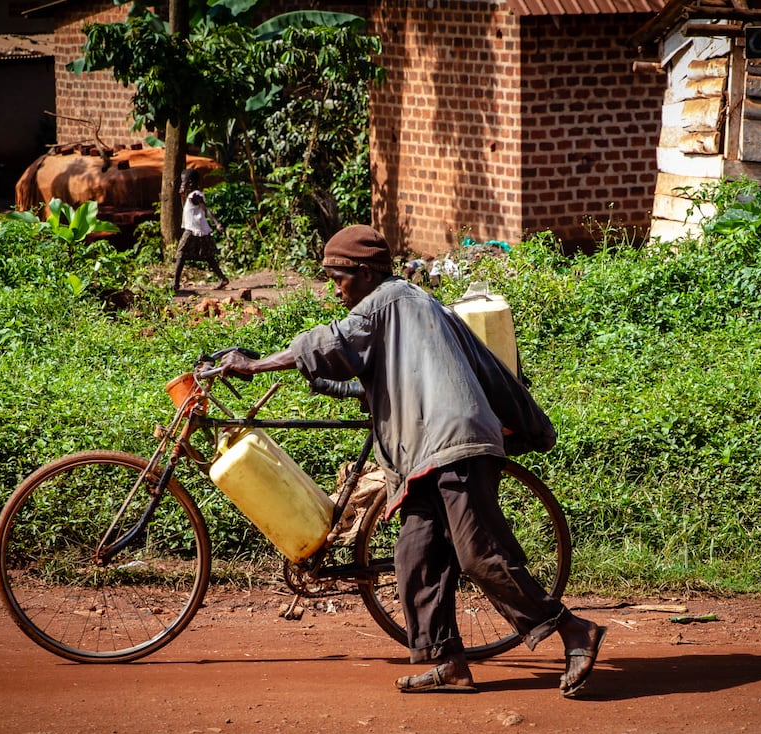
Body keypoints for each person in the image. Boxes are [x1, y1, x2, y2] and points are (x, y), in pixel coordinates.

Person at [216, 225, 606, 698]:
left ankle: (571, 629)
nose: (336, 289)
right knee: (416, 556)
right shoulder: (415, 310)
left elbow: (331, 341)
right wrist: (314, 377)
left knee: (479, 555)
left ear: (363, 273)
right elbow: (387, 378)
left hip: (452, 443)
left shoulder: (390, 300)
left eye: (338, 277)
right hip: (427, 453)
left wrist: (255, 365)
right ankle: (446, 663)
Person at [173, 168, 228, 293]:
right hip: (198, 229)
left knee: (181, 253)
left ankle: (175, 283)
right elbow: (186, 211)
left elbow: (206, 209)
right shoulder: (190, 196)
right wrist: (182, 197)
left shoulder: (195, 196)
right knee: (208, 256)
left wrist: (217, 223)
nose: (182, 184)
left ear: (191, 183)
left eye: (184, 182)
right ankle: (222, 278)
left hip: (194, 230)